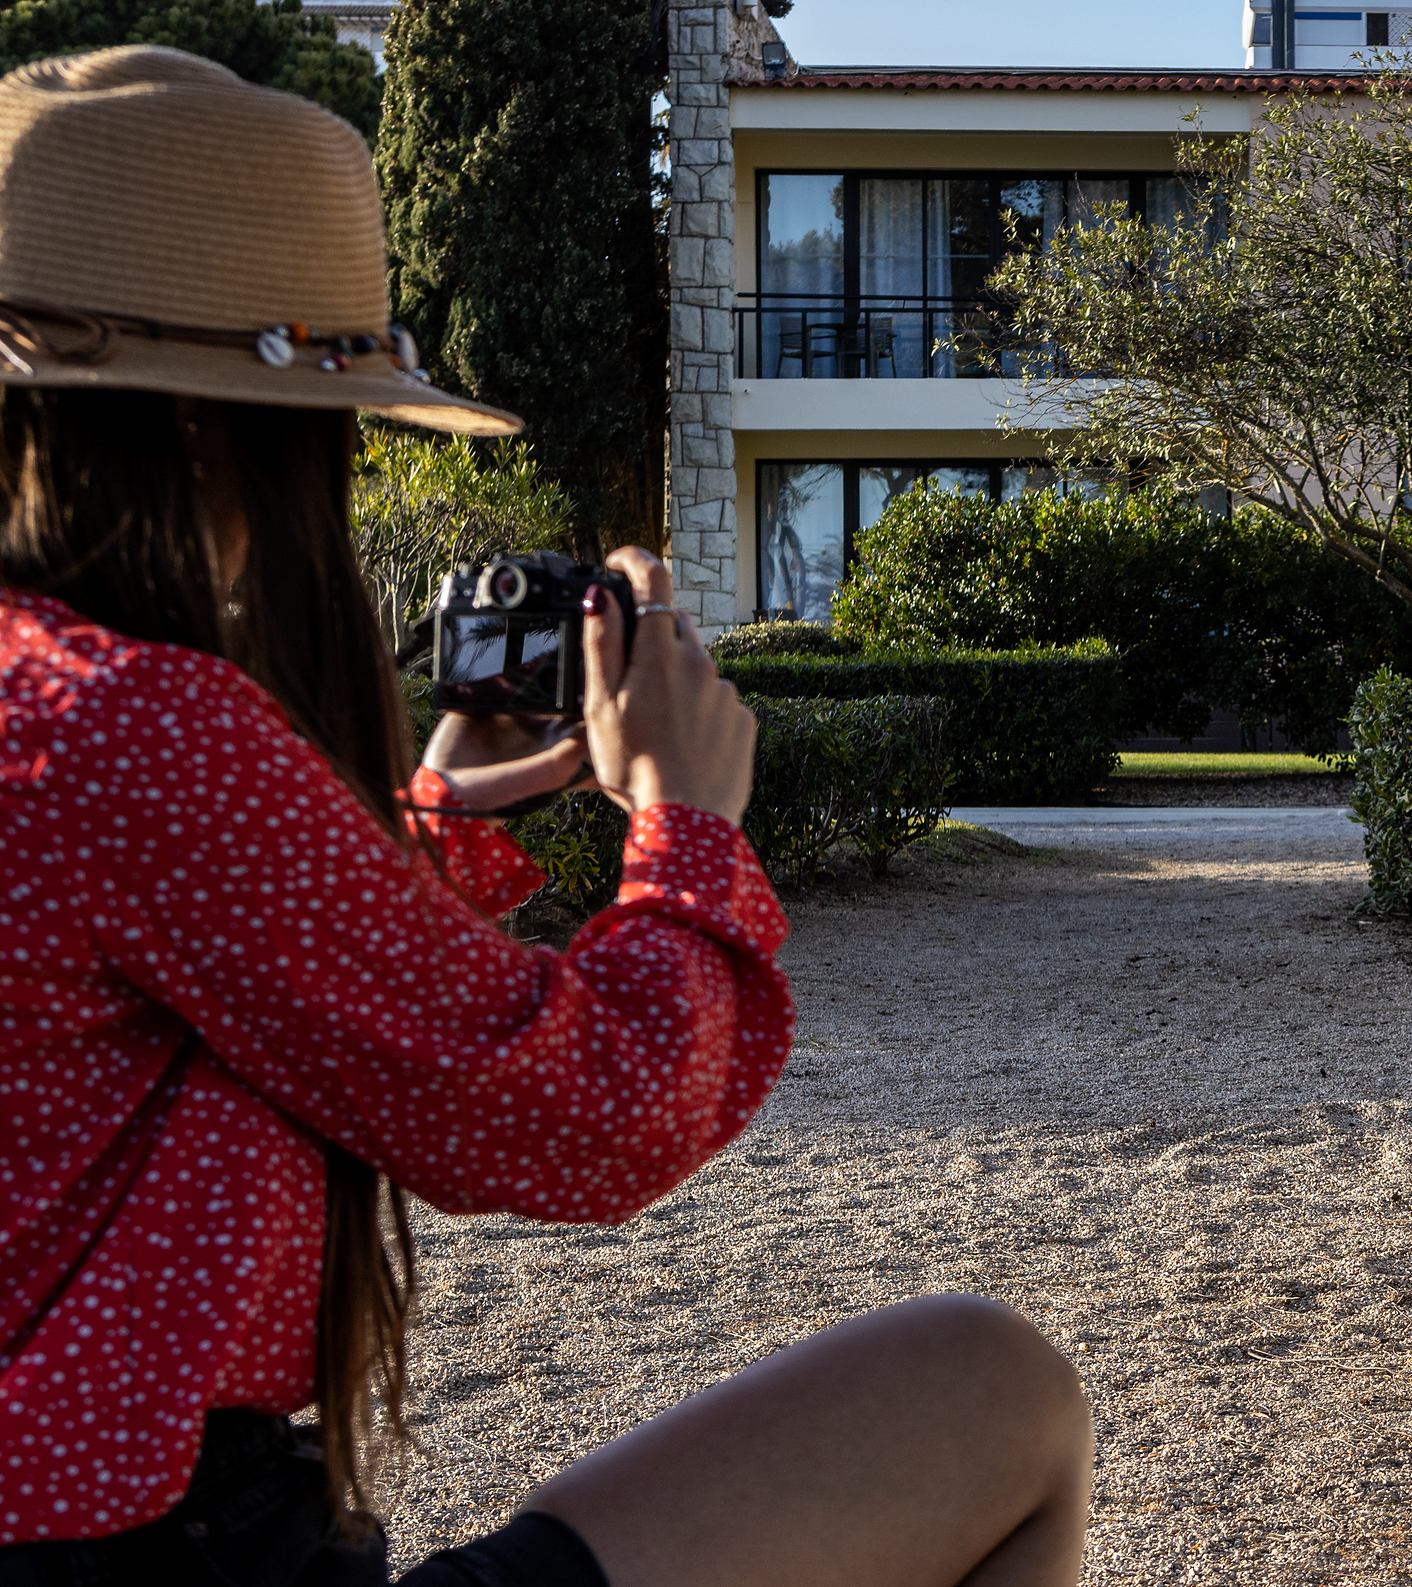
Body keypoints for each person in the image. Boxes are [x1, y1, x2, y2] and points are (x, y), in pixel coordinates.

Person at [0, 48, 1090, 1587]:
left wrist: (454, 795)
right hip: (164, 1558)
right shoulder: (129, 726)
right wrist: (686, 820)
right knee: (997, 1388)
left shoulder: (52, 708)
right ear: (217, 436)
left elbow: (204, 975)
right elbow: (590, 1115)